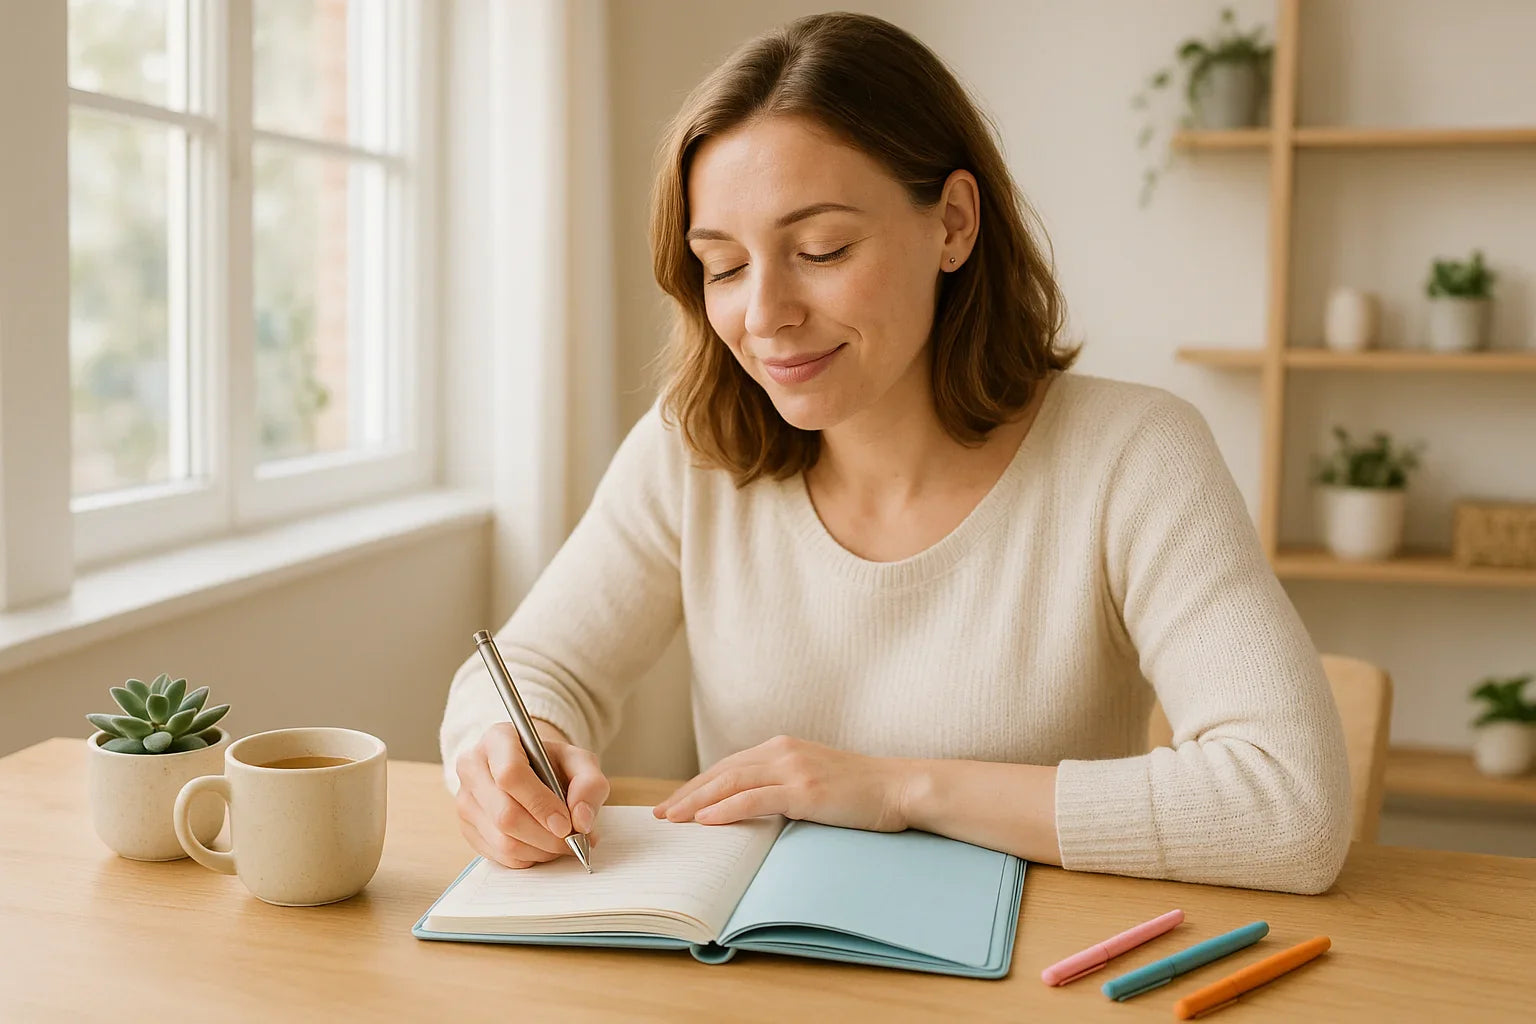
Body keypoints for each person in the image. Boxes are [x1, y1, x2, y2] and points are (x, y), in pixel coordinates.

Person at [439, 11, 1351, 895]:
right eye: (725, 266)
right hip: (758, 966)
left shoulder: (1134, 457)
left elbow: (1292, 805)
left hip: (1041, 969)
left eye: (822, 248)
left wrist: (897, 791)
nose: (765, 315)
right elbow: (529, 670)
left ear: (953, 223)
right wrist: (509, 752)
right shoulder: (693, 452)